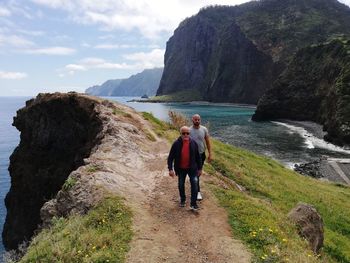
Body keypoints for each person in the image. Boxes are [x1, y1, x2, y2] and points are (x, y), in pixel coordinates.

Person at [167, 126, 203, 210]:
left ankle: (193, 204)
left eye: (187, 133)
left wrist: (200, 168)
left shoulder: (193, 143)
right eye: (183, 133)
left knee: (194, 184)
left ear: (189, 134)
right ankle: (183, 200)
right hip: (181, 169)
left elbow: (198, 157)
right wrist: (170, 169)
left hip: (192, 169)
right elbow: (170, 158)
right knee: (180, 184)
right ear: (180, 134)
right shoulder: (176, 144)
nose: (186, 135)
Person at [190, 114, 212, 201]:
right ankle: (197, 191)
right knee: (195, 173)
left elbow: (208, 142)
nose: (197, 121)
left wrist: (210, 153)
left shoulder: (204, 129)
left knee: (198, 173)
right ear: (192, 120)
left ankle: (195, 186)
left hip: (201, 154)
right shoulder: (189, 130)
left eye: (198, 119)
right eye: (195, 119)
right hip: (192, 155)